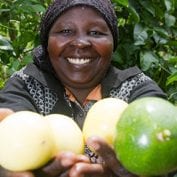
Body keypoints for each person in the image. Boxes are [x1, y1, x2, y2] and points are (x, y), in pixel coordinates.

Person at [0, 0, 167, 177]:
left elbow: (164, 141)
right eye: (65, 31)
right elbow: (11, 134)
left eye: (95, 32)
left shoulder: (137, 89)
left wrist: (151, 169)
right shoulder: (26, 84)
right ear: (47, 42)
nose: (80, 43)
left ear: (112, 43)